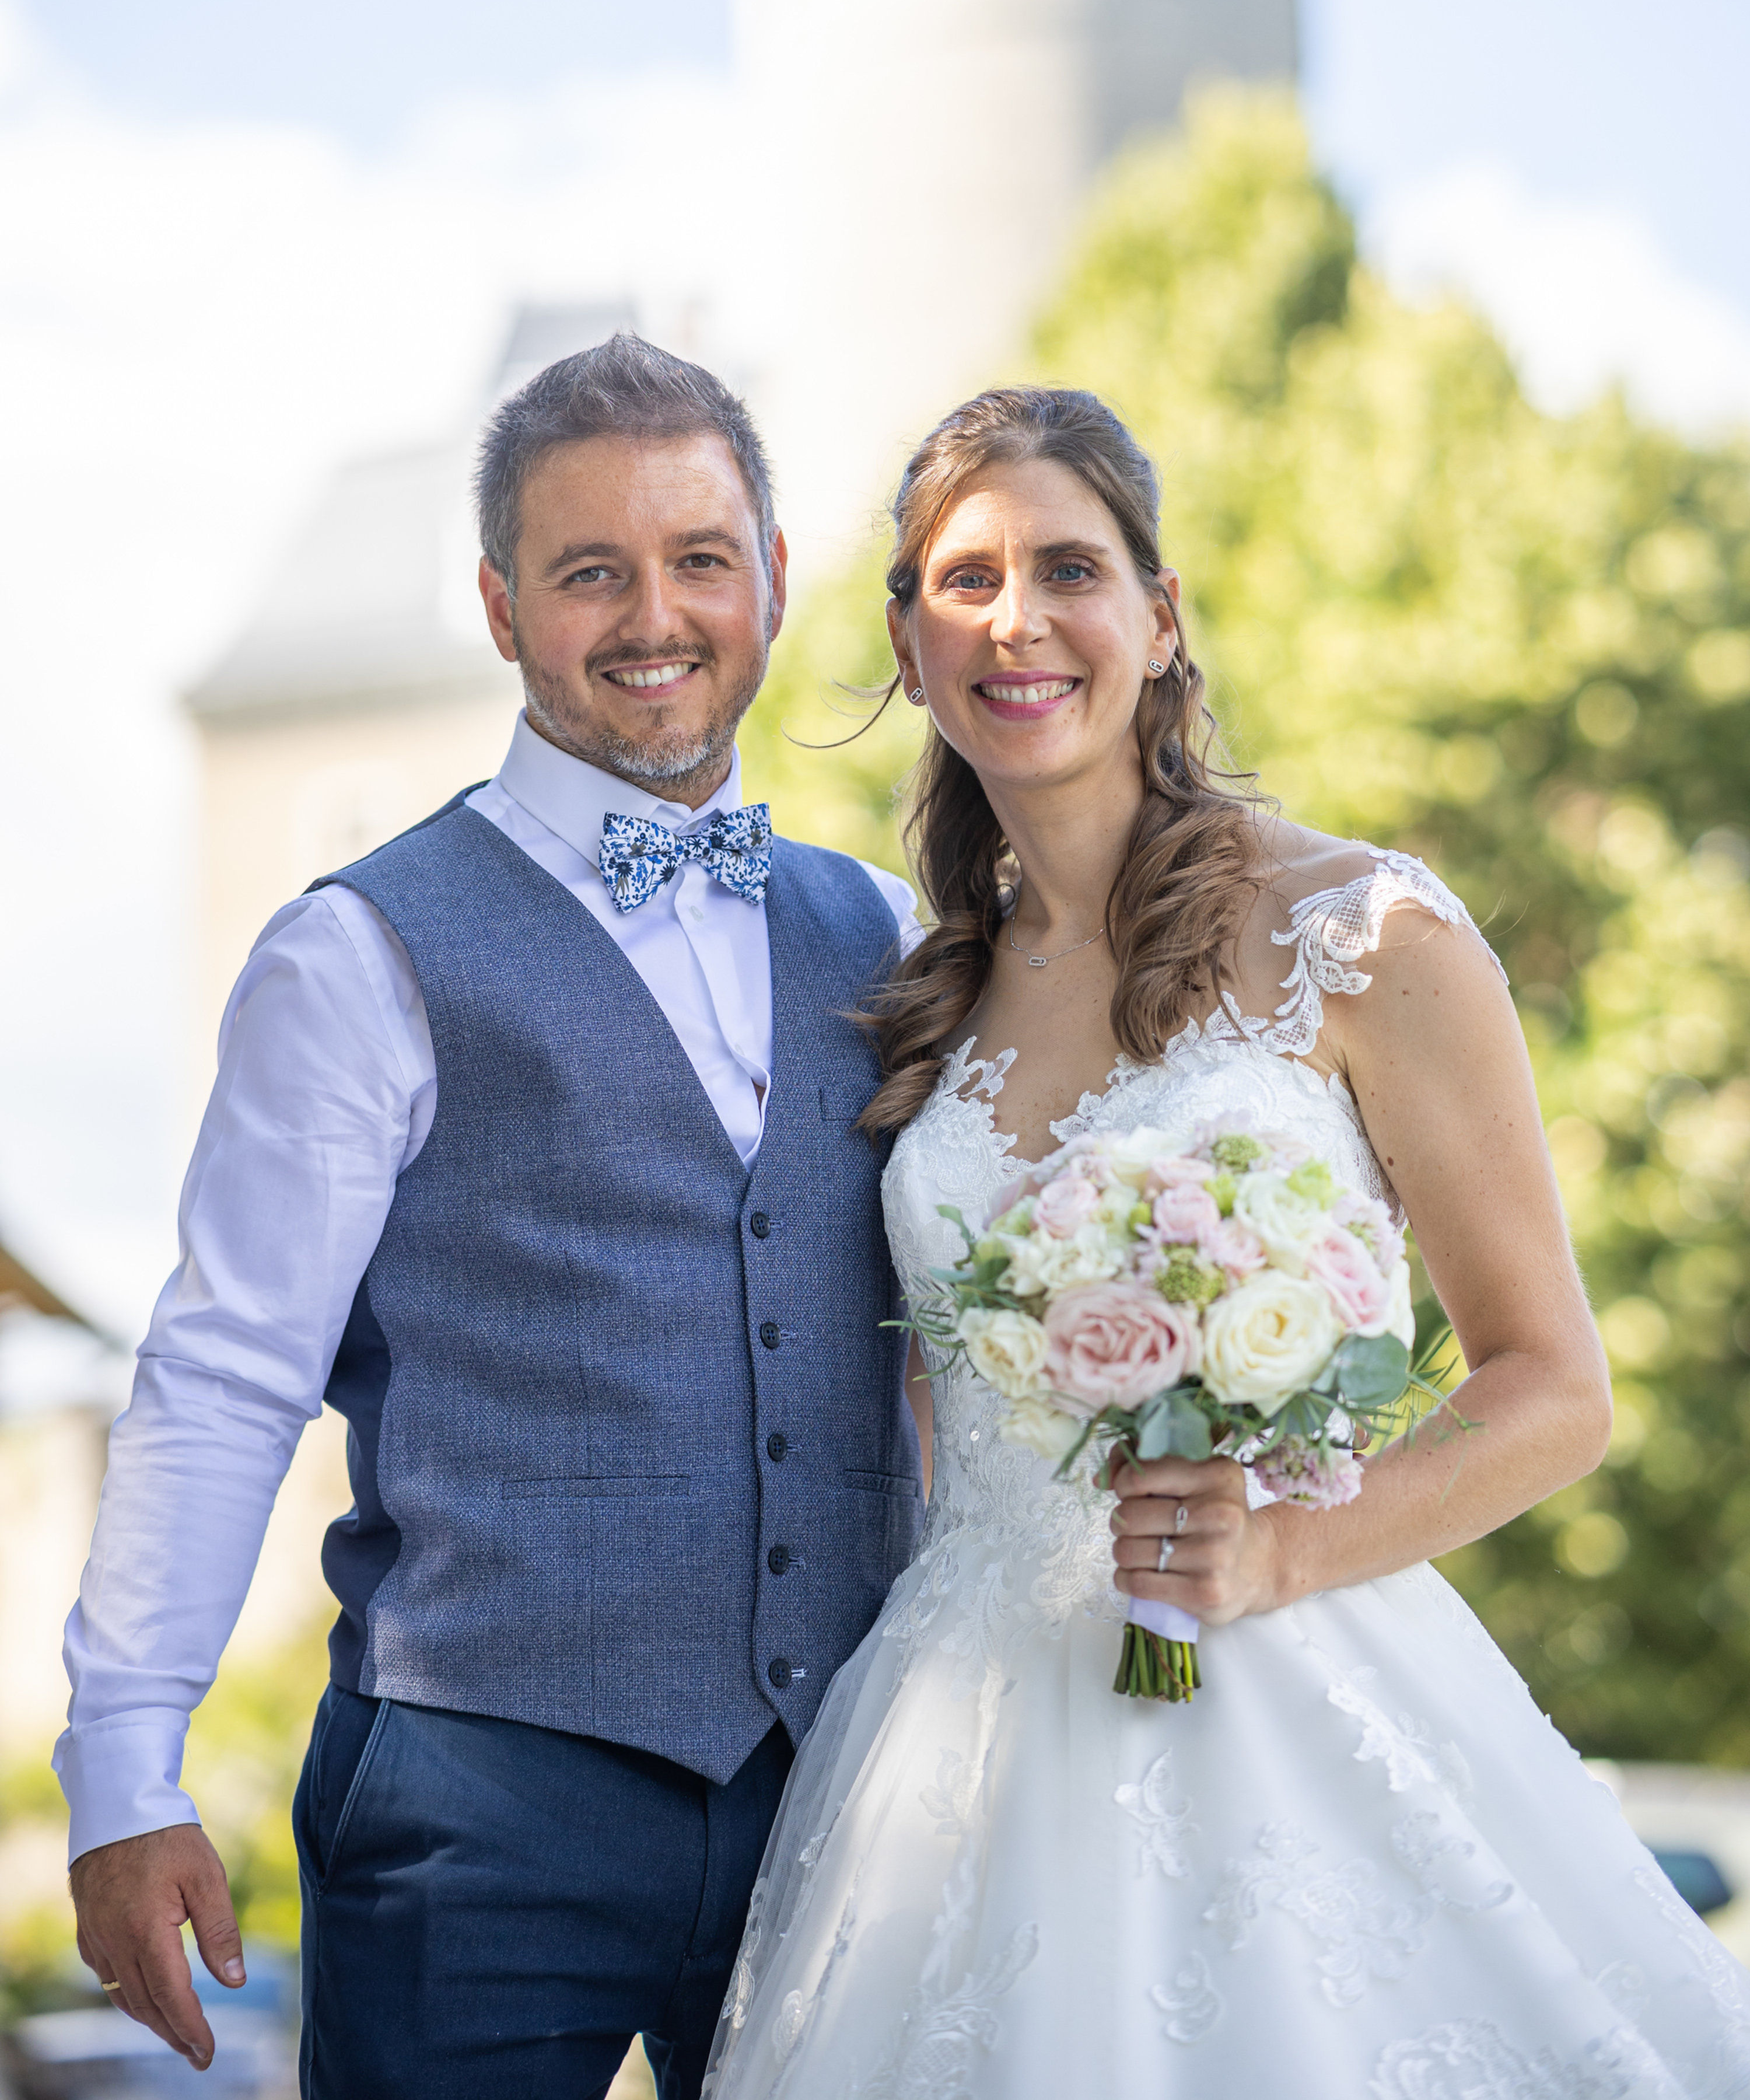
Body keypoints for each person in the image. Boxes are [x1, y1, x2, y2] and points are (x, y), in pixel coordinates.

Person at [703, 385, 1750, 2098]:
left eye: (1069, 566)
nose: (1016, 619)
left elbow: (1556, 1387)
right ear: (904, 636)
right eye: (960, 580)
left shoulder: (1362, 932)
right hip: (955, 1757)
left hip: (1288, 1686)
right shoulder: (921, 1009)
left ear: (1161, 615)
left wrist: (1277, 1548)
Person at [57, 336, 926, 2099]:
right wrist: (124, 1769)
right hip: (477, 1809)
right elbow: (226, 1373)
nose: (653, 613)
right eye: (587, 569)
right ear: (501, 603)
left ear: (771, 576)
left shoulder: (891, 933)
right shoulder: (358, 949)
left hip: (848, 1792)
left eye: (698, 557)